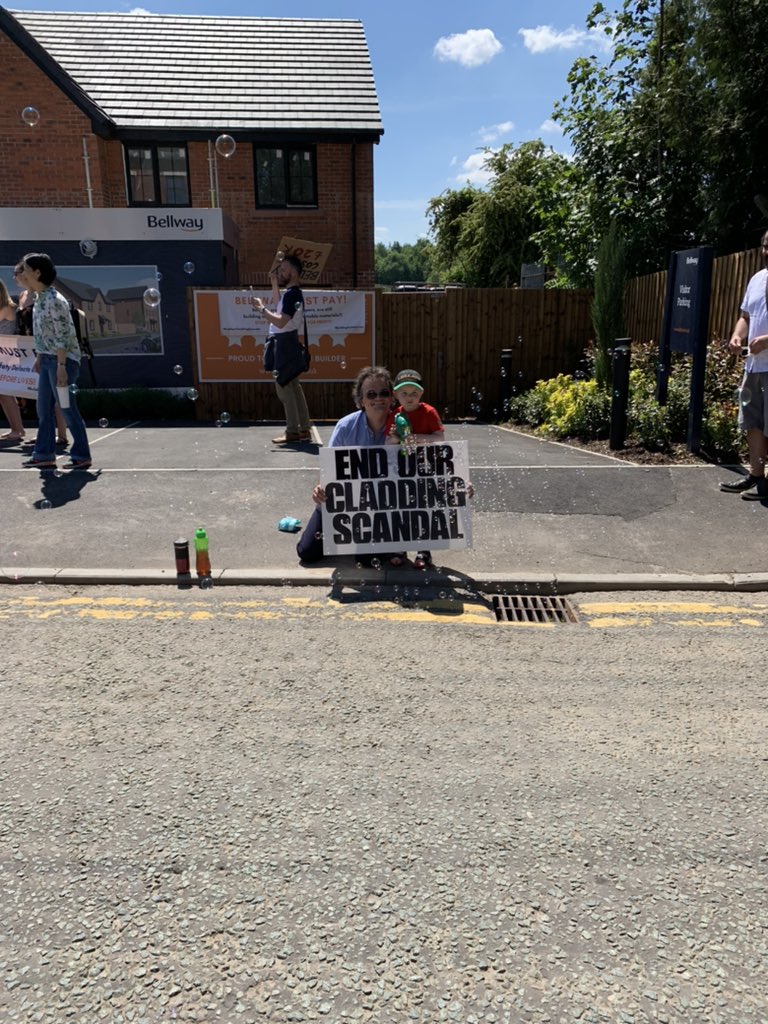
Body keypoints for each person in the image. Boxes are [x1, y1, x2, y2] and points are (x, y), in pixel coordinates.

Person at [296, 365, 407, 566]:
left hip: (384, 505)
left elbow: (426, 468)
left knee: (368, 558)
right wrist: (320, 488)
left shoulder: (403, 425)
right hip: (348, 504)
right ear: (361, 401)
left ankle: (372, 541)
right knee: (307, 552)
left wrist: (457, 486)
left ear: (392, 397)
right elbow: (329, 468)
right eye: (371, 394)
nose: (378, 399)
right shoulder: (346, 427)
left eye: (384, 393)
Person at [15, 253, 92, 470]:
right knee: (43, 409)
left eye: (26, 270)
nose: (22, 274)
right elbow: (42, 333)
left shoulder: (54, 301)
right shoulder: (39, 298)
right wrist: (40, 356)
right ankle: (44, 454)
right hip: (49, 359)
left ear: (37, 273)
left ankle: (81, 455)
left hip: (63, 361)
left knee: (67, 409)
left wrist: (60, 367)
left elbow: (62, 336)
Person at [720, 229, 768, 499]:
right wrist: (738, 334)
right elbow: (746, 316)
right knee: (753, 423)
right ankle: (757, 476)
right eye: (765, 245)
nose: (767, 251)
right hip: (754, 367)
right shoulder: (757, 279)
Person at [386, 368, 445, 569]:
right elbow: (388, 444)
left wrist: (418, 438)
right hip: (402, 469)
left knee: (422, 509)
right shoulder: (395, 415)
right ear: (396, 395)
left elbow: (440, 438)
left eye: (414, 393)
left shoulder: (429, 412)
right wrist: (394, 437)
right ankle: (400, 548)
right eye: (404, 393)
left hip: (425, 468)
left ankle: (423, 550)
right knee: (401, 507)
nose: (409, 397)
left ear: (421, 394)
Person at [254, 253, 312, 445]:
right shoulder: (291, 294)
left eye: (284, 269)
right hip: (288, 342)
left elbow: (280, 322)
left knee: (284, 388)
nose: (280, 272)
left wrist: (262, 309)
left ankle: (292, 431)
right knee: (294, 387)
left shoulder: (293, 295)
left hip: (284, 343)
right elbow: (279, 304)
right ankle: (303, 428)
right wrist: (273, 282)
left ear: (294, 272)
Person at [15, 271, 69, 451]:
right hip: (32, 348)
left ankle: (62, 435)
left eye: (19, 272)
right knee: (41, 398)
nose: (17, 276)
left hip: (47, 349)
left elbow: (60, 330)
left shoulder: (47, 296)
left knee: (56, 396)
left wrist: (61, 363)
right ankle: (45, 437)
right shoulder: (24, 296)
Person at [0, 279, 26, 444]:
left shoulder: (8, 307)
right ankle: (16, 428)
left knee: (6, 393)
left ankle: (18, 429)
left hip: (7, 356)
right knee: (3, 394)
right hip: (3, 355)